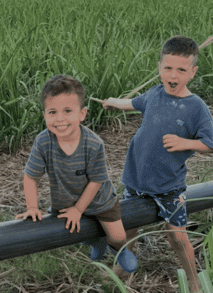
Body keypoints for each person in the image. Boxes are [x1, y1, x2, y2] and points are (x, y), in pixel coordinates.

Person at [97, 36, 213, 293]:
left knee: (177, 236)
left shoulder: (195, 107)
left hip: (168, 185)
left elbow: (210, 144)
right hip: (137, 179)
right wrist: (112, 102)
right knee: (128, 230)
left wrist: (184, 142)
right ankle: (122, 271)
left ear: (192, 72)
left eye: (181, 70)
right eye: (168, 68)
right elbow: (131, 104)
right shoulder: (154, 93)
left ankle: (194, 282)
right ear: (159, 66)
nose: (172, 76)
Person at [16, 74, 138, 273]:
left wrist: (79, 210)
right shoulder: (43, 142)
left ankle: (118, 250)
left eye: (67, 111)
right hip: (65, 200)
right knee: (72, 233)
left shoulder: (93, 144)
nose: (60, 119)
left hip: (99, 200)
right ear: (44, 114)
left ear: (82, 114)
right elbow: (31, 176)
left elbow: (96, 181)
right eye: (52, 112)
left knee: (117, 236)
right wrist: (32, 207)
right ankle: (95, 242)